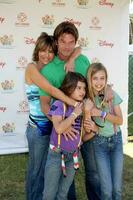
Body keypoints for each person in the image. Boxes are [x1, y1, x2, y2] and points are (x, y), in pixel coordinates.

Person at [39, 21, 101, 200]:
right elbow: (44, 103)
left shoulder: (82, 60)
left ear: (75, 42)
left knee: (93, 171)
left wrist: (107, 90)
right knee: (66, 178)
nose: (67, 46)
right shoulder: (49, 69)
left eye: (71, 42)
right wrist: (60, 125)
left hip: (85, 123)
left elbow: (92, 86)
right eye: (62, 41)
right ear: (56, 41)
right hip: (64, 131)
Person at [25, 32, 82, 200]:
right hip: (38, 128)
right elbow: (51, 91)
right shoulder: (32, 68)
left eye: (50, 51)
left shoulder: (50, 68)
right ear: (37, 50)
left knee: (57, 169)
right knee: (37, 171)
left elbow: (79, 48)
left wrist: (72, 59)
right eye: (43, 50)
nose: (47, 55)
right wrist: (74, 105)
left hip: (53, 126)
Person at [43, 72, 87, 200]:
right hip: (57, 154)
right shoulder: (59, 104)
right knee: (49, 194)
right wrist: (74, 114)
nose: (82, 91)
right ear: (69, 87)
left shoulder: (81, 107)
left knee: (63, 194)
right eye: (78, 88)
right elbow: (59, 128)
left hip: (73, 155)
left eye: (84, 88)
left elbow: (81, 134)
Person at [83, 63, 123, 200]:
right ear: (90, 79)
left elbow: (120, 121)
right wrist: (87, 111)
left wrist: (102, 113)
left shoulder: (111, 95)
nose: (99, 82)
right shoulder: (88, 99)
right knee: (106, 191)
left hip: (116, 140)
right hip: (100, 144)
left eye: (102, 78)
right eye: (95, 78)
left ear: (106, 80)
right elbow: (87, 129)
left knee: (116, 189)